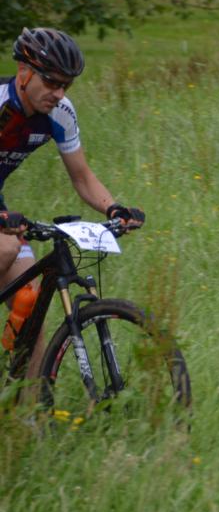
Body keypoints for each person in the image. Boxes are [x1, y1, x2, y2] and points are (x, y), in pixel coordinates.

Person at [0, 27, 144, 382]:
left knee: (30, 308)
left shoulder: (60, 112)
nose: (59, 93)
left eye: (66, 85)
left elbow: (81, 177)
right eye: (51, 82)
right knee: (4, 248)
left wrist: (114, 209)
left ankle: (28, 409)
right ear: (24, 72)